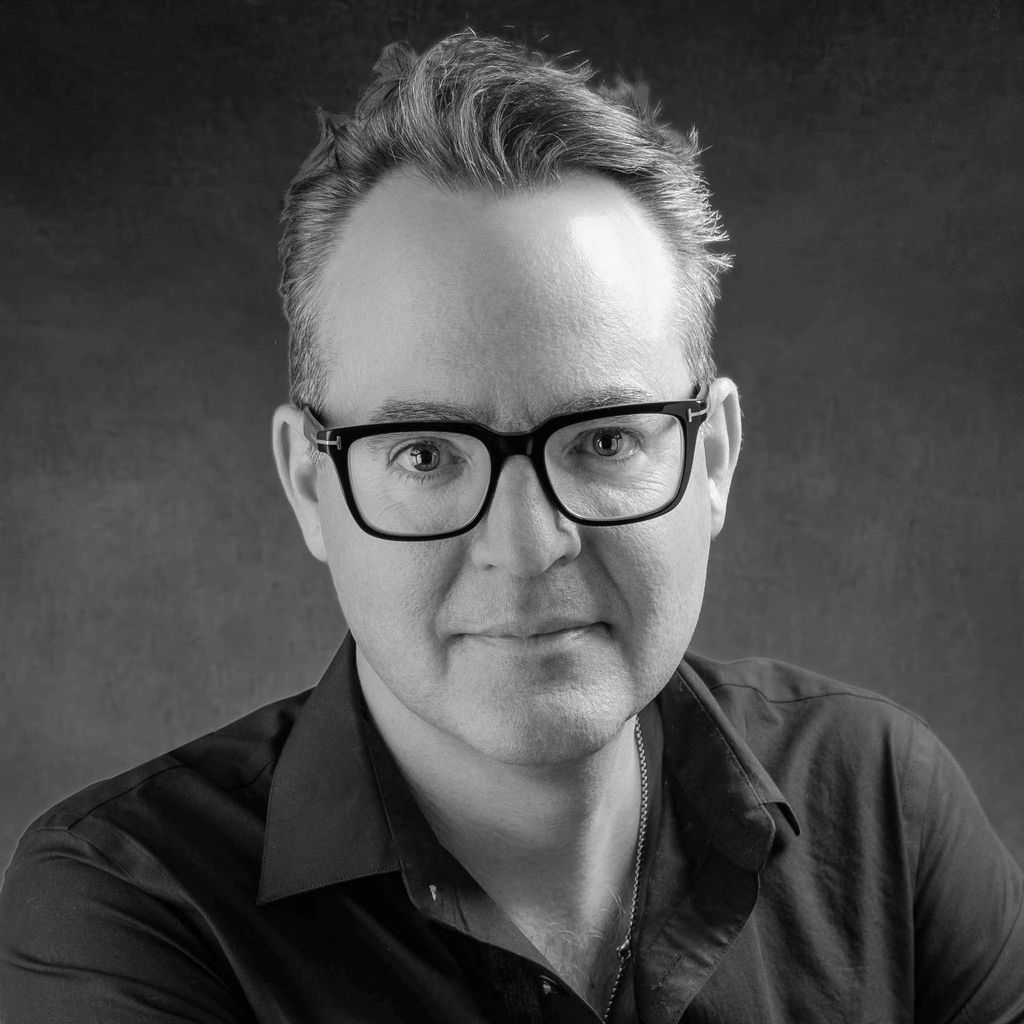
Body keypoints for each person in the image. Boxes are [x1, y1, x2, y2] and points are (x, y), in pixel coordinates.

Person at [1, 29, 1021, 1024]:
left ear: (712, 457)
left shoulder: (883, 799)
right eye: (425, 454)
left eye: (605, 441)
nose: (529, 546)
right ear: (311, 487)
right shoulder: (128, 907)